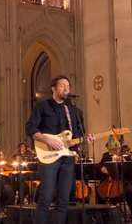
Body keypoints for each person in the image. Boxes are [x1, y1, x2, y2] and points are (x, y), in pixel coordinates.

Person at [25, 75, 81, 224]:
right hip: (49, 157)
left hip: (67, 158)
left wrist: (84, 140)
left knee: (63, 199)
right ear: (53, 88)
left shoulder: (72, 110)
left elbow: (75, 135)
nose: (66, 88)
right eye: (62, 85)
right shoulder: (42, 106)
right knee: (46, 197)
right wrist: (47, 139)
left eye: (68, 86)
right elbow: (30, 127)